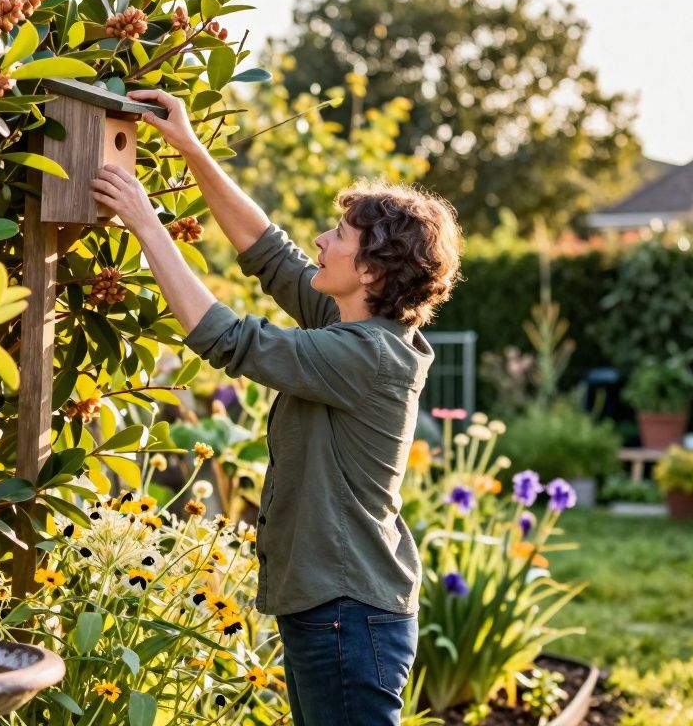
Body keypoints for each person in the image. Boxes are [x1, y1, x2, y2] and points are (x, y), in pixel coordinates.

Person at [90, 88, 463, 726]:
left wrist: (146, 223)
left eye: (338, 235)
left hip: (348, 614)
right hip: (338, 608)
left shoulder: (367, 355)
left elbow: (228, 339)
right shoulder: (354, 326)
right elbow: (267, 250)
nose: (321, 239)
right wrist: (190, 147)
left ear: (370, 271)